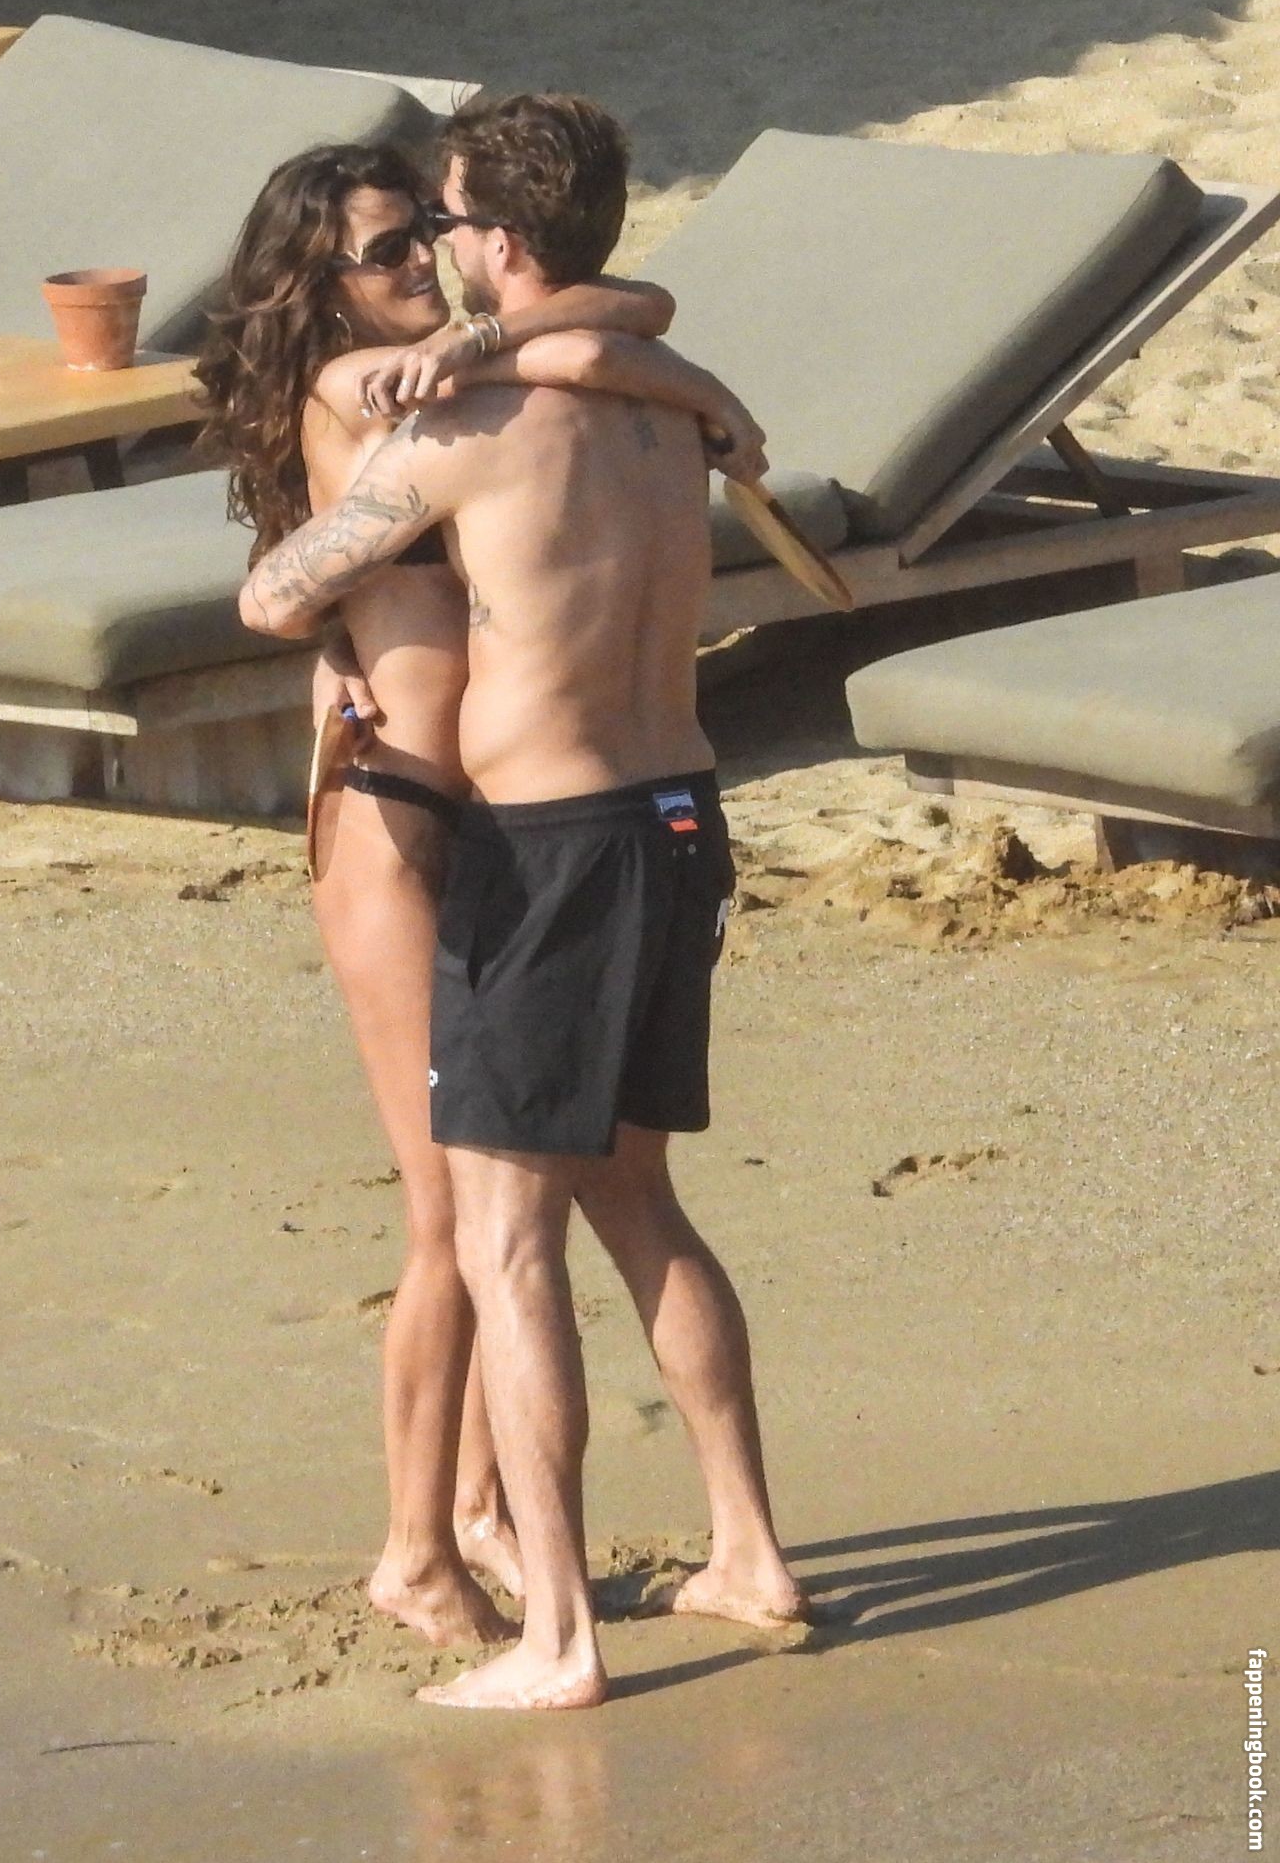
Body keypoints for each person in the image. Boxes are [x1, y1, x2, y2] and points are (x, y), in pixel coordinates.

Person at [238, 94, 810, 1712]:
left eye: (445, 222)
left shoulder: (469, 422)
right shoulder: (657, 409)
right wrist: (671, 377)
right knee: (641, 1201)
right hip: (682, 816)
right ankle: (748, 1555)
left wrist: (342, 568)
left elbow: (274, 595)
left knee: (504, 1243)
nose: (433, 250)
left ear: (495, 238)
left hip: (549, 846)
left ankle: (558, 1636)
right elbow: (636, 326)